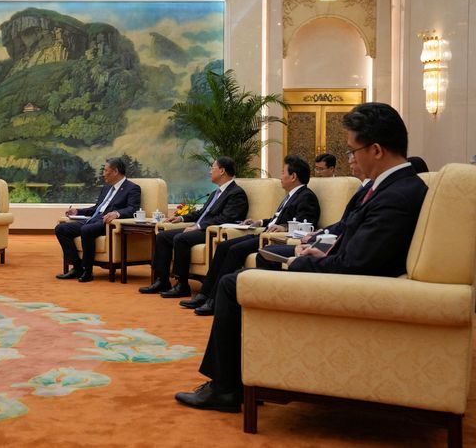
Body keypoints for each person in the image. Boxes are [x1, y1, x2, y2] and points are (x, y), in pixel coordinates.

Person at [174, 102, 428, 413]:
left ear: (376, 150)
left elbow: (357, 264)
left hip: (351, 287)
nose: (350, 158)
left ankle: (225, 389)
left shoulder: (398, 195)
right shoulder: (386, 187)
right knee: (248, 269)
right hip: (343, 272)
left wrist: (302, 261)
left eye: (353, 150)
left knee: (232, 285)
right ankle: (238, 380)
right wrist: (318, 247)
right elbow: (351, 234)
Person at [180, 155, 320, 316]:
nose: (280, 176)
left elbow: (306, 224)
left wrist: (282, 227)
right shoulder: (291, 196)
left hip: (274, 240)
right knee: (224, 246)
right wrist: (259, 221)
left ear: (293, 176)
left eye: (283, 172)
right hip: (263, 232)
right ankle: (205, 294)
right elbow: (275, 219)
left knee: (234, 250)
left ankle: (215, 300)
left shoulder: (307, 197)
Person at [139, 156, 248, 298]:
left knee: (181, 238)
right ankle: (162, 280)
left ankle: (182, 284)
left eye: (212, 168)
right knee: (163, 236)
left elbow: (226, 218)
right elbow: (202, 213)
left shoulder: (236, 193)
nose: (210, 172)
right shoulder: (216, 192)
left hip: (212, 231)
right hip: (201, 228)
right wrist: (181, 218)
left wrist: (198, 226)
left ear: (222, 171)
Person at [255, 162, 371, 269]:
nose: (350, 160)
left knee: (265, 254)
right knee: (262, 253)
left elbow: (347, 229)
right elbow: (344, 224)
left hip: (339, 251)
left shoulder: (306, 196)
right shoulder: (366, 188)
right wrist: (318, 235)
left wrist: (319, 243)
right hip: (330, 243)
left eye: (353, 152)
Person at [55, 157, 141, 283]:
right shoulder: (107, 188)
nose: (103, 173)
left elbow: (133, 209)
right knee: (61, 229)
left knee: (86, 229)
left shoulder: (132, 188)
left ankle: (87, 271)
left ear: (115, 171)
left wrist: (116, 213)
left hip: (107, 223)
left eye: (106, 170)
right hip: (93, 220)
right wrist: (78, 211)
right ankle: (77, 267)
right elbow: (97, 208)